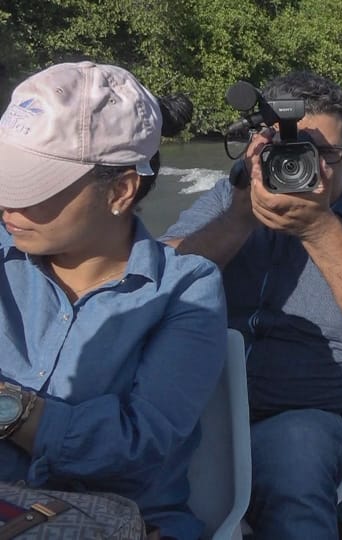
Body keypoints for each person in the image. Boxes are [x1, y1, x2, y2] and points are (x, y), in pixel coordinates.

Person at [162, 71, 342, 539]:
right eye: (297, 150)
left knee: (295, 455)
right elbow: (158, 284)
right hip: (195, 403)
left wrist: (319, 228)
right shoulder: (230, 200)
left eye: (328, 154)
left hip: (302, 414)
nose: (314, 168)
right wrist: (242, 215)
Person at [0, 61, 226, 539]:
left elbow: (134, 448)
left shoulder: (186, 290)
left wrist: (9, 408)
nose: (7, 204)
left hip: (128, 522)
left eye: (32, 187)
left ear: (121, 190)